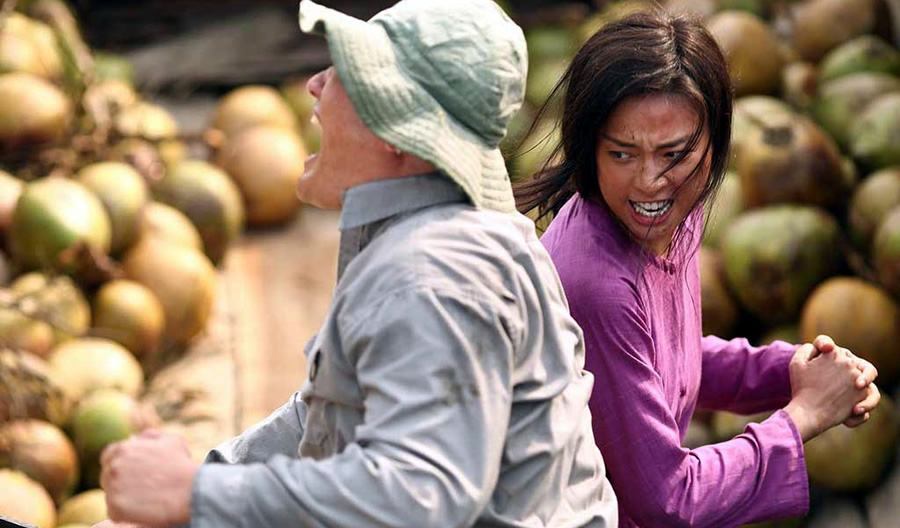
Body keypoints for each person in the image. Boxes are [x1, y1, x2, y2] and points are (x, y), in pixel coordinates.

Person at [94, 1, 620, 527]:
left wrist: (199, 493)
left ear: (396, 131)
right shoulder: (435, 238)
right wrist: (206, 479)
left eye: (346, 74)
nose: (315, 85)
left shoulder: (433, 274)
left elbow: (420, 496)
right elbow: (329, 415)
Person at [514, 10, 881, 528]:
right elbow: (667, 500)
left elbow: (671, 360)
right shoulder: (596, 285)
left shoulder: (671, 218)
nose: (650, 182)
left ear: (716, 143)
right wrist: (804, 416)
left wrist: (791, 370)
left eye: (675, 153)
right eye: (622, 154)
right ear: (589, 147)